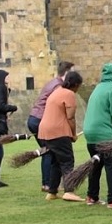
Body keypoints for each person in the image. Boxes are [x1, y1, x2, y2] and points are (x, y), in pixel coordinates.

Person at [83, 63, 112, 208]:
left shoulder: (98, 88)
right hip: (106, 134)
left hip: (90, 134)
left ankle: (92, 196)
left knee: (96, 165)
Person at [26, 61, 75, 192]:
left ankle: (50, 184)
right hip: (41, 120)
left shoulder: (53, 83)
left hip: (36, 119)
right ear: (67, 73)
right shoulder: (58, 87)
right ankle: (48, 184)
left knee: (50, 151)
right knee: (49, 152)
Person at [38, 71, 84, 202]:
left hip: (44, 131)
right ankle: (69, 191)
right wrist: (73, 134)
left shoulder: (56, 91)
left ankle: (52, 191)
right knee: (67, 161)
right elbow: (70, 117)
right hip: (58, 131)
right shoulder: (69, 94)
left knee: (55, 162)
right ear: (75, 85)